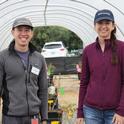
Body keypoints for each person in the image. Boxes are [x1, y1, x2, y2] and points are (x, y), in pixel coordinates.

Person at [76, 9, 124, 124]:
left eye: (107, 23)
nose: (103, 26)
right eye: (100, 23)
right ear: (95, 26)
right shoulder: (88, 50)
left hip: (115, 111)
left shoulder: (122, 48)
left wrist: (121, 111)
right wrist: (80, 112)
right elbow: (84, 82)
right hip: (91, 110)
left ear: (113, 26)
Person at [0, 17, 48, 124]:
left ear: (32, 33)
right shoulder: (3, 57)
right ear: (13, 32)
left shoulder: (39, 58)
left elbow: (43, 90)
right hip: (11, 117)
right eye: (19, 30)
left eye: (27, 30)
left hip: (33, 117)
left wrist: (44, 118)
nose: (23, 33)